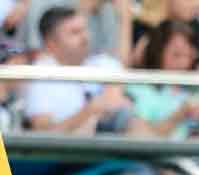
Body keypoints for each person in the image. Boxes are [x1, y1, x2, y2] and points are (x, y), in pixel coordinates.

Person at [23, 6, 132, 134]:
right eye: (75, 32)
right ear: (51, 42)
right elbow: (42, 134)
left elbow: (119, 104)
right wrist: (89, 111)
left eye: (85, 29)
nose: (85, 37)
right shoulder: (41, 74)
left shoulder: (104, 63)